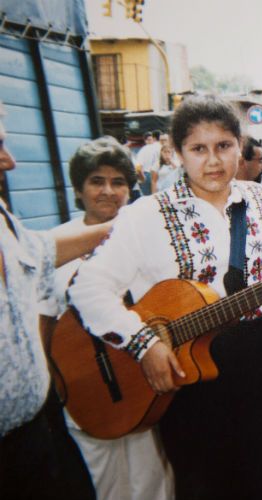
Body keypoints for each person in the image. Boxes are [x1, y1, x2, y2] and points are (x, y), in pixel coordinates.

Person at [66, 95, 262, 500]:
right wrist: (144, 342)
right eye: (198, 149)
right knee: (203, 486)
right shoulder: (146, 214)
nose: (213, 161)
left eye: (224, 146)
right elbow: (87, 287)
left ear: (239, 146)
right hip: (191, 378)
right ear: (176, 153)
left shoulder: (261, 199)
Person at [37, 136, 174, 500]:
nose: (108, 191)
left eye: (118, 182)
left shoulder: (150, 238)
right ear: (79, 188)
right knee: (103, 486)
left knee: (155, 482)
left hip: (146, 384)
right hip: (86, 390)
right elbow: (44, 323)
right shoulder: (56, 245)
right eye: (97, 181)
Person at [0, 105, 113, 499]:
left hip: (33, 438)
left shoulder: (3, 217)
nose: (10, 162)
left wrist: (121, 228)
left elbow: (39, 250)